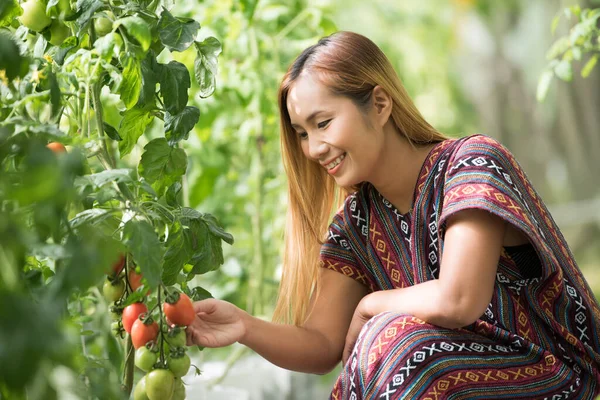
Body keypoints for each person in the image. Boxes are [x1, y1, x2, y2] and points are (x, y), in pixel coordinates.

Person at [186, 31, 600, 399]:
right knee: (389, 344)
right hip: (439, 380)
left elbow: (459, 299)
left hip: (551, 377)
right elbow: (322, 344)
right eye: (302, 134)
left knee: (394, 341)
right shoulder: (356, 226)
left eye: (323, 123)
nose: (313, 148)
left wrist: (371, 305)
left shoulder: (470, 164)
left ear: (380, 104)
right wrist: (243, 326)